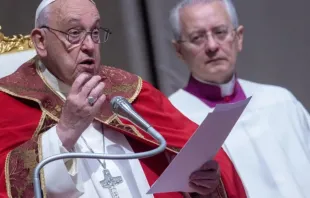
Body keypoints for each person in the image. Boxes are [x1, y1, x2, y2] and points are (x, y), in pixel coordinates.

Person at [0, 0, 247, 197]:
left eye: (95, 32)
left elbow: (183, 167)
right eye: (74, 33)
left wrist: (200, 184)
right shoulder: (8, 103)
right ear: (41, 42)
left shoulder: (129, 91)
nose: (89, 45)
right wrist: (64, 133)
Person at [168, 0, 310, 197]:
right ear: (178, 51)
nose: (211, 46)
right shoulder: (171, 119)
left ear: (239, 37)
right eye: (197, 37)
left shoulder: (281, 102)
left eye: (220, 32)